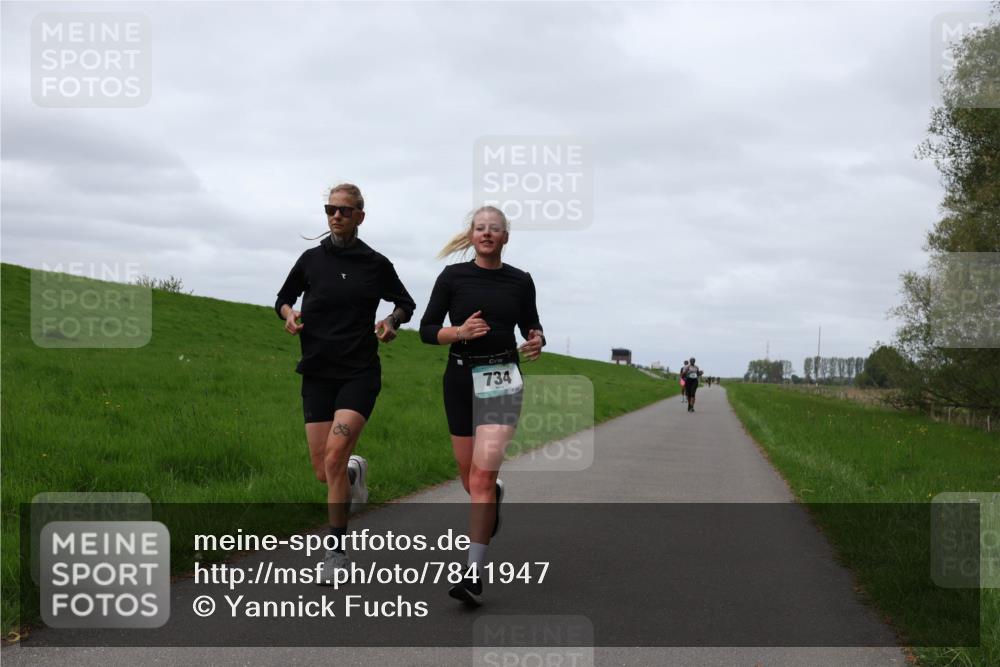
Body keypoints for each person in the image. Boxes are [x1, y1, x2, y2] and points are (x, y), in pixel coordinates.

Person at [275, 183, 416, 583]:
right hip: (317, 371)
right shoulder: (310, 260)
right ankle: (354, 473)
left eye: (345, 210)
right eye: (330, 209)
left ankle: (335, 553)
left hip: (358, 372)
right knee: (325, 471)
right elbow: (282, 298)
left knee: (333, 456)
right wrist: (289, 313)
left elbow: (405, 302)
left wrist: (391, 322)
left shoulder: (375, 263)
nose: (336, 216)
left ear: (360, 217)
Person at [419, 205, 544, 607]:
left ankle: (472, 573)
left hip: (502, 378)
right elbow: (425, 330)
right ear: (471, 235)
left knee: (483, 477)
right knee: (470, 480)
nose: (487, 234)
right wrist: (459, 332)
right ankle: (492, 500)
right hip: (459, 377)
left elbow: (532, 324)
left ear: (505, 237)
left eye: (494, 229)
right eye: (480, 228)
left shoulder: (520, 281)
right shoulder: (453, 277)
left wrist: (537, 339)